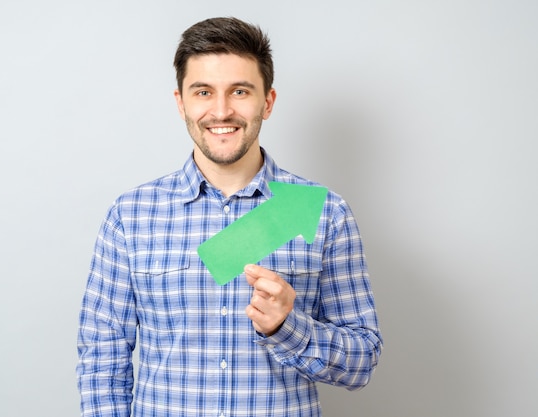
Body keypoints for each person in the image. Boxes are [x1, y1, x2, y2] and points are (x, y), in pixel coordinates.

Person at [76, 17, 382, 417]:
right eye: (203, 92)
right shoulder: (131, 216)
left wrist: (288, 328)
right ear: (181, 102)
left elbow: (362, 363)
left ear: (267, 102)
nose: (221, 111)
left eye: (240, 91)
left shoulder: (323, 212)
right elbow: (103, 359)